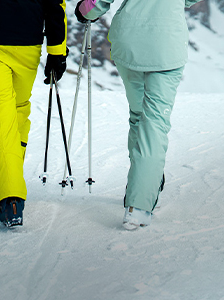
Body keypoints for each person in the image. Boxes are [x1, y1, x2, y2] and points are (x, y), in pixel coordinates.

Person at [75, 0, 202, 230]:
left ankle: (144, 182)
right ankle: (139, 205)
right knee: (154, 122)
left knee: (138, 116)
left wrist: (86, 11)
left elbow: (99, 1)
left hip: (129, 43)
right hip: (167, 46)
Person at [0, 0, 68, 227]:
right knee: (17, 110)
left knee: (3, 113)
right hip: (26, 39)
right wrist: (57, 53)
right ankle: (10, 195)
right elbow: (55, 5)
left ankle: (5, 190)